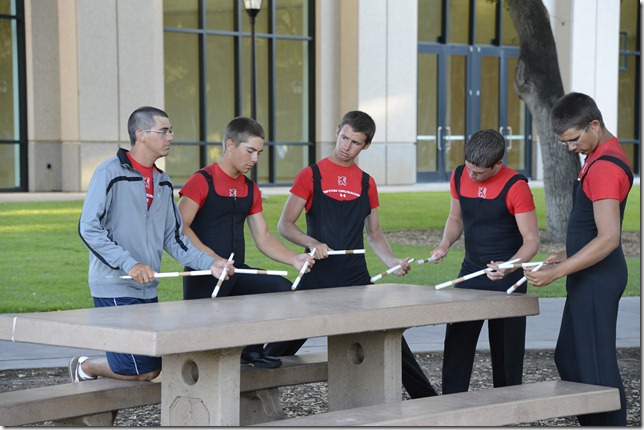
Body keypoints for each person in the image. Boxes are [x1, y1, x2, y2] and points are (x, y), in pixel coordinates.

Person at [264, 110, 438, 398]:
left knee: (388, 339)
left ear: (365, 146)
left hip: (356, 278)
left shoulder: (367, 183)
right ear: (337, 132)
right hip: (316, 277)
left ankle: (429, 401)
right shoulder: (311, 175)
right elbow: (284, 225)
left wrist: (392, 261)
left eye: (355, 142)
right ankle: (244, 394)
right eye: (344, 137)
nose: (346, 146)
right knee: (277, 348)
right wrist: (312, 242)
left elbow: (375, 235)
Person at [74, 106, 233, 384]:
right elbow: (89, 228)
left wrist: (210, 263)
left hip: (148, 288)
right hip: (115, 285)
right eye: (164, 131)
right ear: (141, 135)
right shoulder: (109, 173)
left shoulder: (162, 181)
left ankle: (94, 387)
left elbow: (173, 237)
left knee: (149, 367)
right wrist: (129, 263)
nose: (170, 137)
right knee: (139, 369)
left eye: (170, 131)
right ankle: (87, 367)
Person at [524, 92, 633, 426]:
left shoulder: (603, 167)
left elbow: (609, 238)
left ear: (594, 126)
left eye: (573, 140)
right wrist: (565, 255)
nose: (570, 148)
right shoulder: (601, 153)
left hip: (599, 279)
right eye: (564, 143)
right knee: (569, 357)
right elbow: (594, 227)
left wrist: (557, 274)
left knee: (598, 371)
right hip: (587, 274)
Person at [177, 116, 314, 369]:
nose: (255, 159)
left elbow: (262, 237)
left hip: (235, 272)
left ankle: (251, 350)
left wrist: (294, 258)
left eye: (259, 153)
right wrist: (212, 260)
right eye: (250, 151)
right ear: (230, 144)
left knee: (282, 290)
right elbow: (181, 228)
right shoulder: (201, 180)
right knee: (206, 351)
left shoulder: (250, 189)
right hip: (204, 275)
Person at [429, 129, 539, 394]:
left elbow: (532, 241)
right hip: (472, 271)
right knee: (457, 343)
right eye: (469, 169)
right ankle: (451, 406)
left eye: (478, 172)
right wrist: (445, 244)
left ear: (498, 165)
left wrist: (509, 266)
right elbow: (456, 218)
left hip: (508, 279)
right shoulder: (459, 175)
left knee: (506, 354)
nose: (472, 176)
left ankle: (508, 408)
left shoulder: (516, 186)